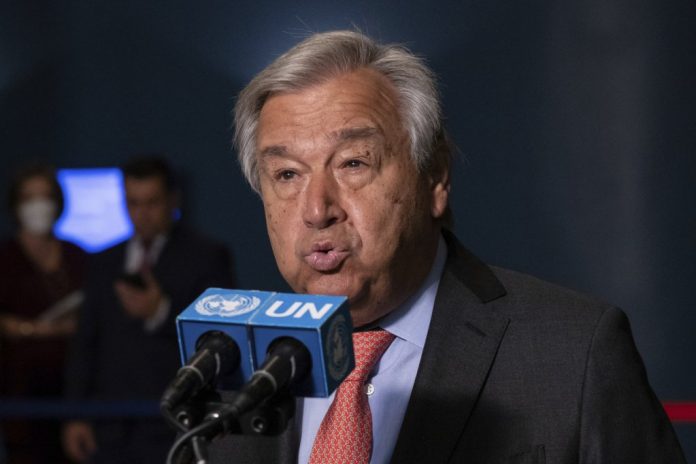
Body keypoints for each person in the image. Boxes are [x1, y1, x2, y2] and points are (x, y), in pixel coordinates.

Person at [208, 31, 685, 463]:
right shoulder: (228, 370)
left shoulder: (574, 352)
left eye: (353, 163)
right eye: (287, 174)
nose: (317, 210)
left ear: (435, 178)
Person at [62, 156, 235, 463]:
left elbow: (219, 336)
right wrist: (76, 414)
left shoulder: (206, 256)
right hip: (109, 426)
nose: (142, 214)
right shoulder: (103, 262)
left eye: (152, 203)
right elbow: (86, 342)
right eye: (133, 203)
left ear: (173, 200)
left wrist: (161, 311)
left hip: (174, 423)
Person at [0, 163, 87, 464]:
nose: (38, 205)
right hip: (19, 395)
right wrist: (33, 330)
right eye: (29, 197)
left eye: (45, 196)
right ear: (15, 204)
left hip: (72, 392)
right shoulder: (5, 259)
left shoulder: (77, 257)